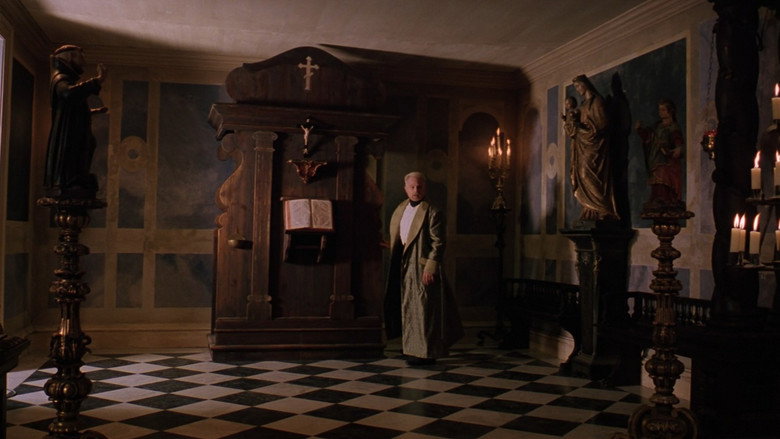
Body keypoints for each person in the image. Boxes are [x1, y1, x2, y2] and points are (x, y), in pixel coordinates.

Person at [384, 172, 463, 366]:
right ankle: (411, 349)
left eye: (419, 187)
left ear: (425, 188)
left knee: (424, 309)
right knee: (407, 307)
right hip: (402, 264)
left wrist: (431, 267)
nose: (416, 190)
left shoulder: (433, 211)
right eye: (412, 187)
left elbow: (438, 242)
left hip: (421, 266)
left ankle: (426, 352)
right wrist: (390, 246)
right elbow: (402, 236)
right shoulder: (400, 208)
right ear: (405, 189)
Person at [44, 44, 108, 198]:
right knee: (74, 152)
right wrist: (97, 81)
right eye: (81, 58)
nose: (84, 63)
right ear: (70, 57)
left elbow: (73, 109)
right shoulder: (60, 78)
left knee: (87, 146)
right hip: (69, 134)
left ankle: (77, 178)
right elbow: (68, 94)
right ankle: (70, 180)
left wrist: (92, 112)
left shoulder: (66, 78)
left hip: (73, 130)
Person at [570, 74, 619, 221]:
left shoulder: (597, 102)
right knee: (582, 174)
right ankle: (590, 209)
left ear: (585, 85)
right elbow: (574, 130)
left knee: (587, 174)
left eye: (578, 86)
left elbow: (603, 124)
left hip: (595, 146)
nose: (577, 89)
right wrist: (573, 122)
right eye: (575, 87)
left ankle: (603, 208)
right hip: (582, 145)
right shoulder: (582, 106)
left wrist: (585, 128)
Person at [635, 98, 684, 209]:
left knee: (664, 176)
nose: (660, 112)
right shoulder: (658, 126)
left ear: (670, 111)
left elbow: (677, 139)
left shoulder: (673, 126)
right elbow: (649, 136)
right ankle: (657, 198)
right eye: (659, 110)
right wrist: (640, 130)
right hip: (655, 157)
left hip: (666, 159)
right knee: (656, 177)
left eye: (663, 110)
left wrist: (678, 148)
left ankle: (665, 198)